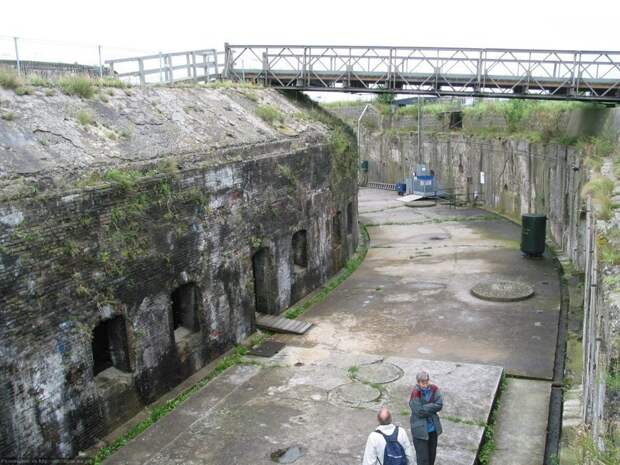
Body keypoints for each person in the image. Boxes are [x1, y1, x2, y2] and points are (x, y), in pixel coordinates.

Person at [409, 371, 443, 465]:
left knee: (432, 456)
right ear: (418, 382)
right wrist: (432, 407)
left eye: (426, 382)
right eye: (423, 382)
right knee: (423, 459)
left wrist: (425, 407)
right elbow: (419, 412)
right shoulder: (415, 393)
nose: (425, 384)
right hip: (420, 432)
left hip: (433, 430)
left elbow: (439, 405)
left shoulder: (434, 389)